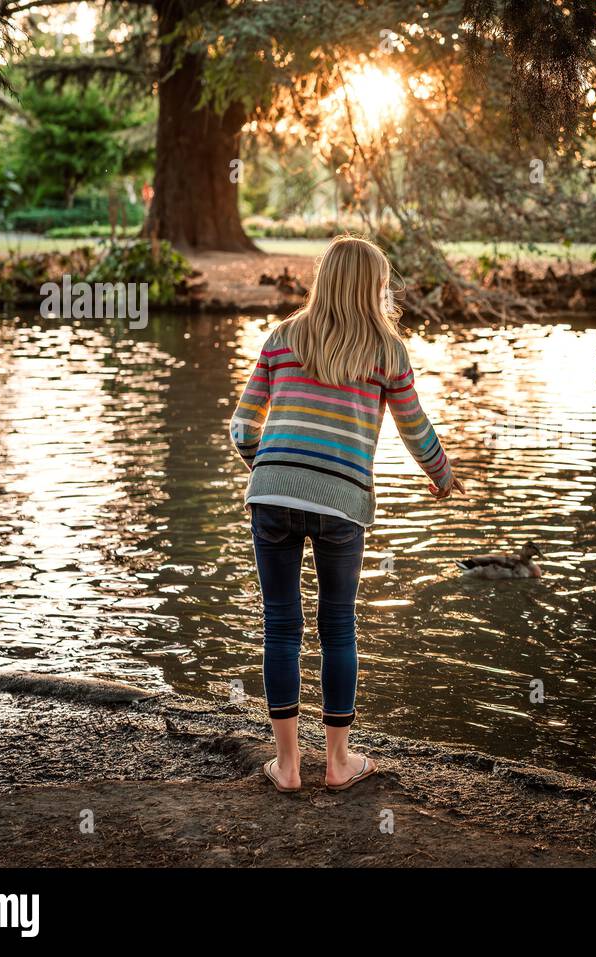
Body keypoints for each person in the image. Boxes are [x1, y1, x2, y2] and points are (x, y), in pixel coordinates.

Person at [229, 236, 464, 793]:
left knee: (280, 624)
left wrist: (271, 470)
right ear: (373, 288)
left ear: (324, 281)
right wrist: (442, 475)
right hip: (341, 503)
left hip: (271, 496)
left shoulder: (282, 337)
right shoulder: (387, 350)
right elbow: (414, 427)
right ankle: (338, 764)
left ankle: (287, 767)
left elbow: (242, 427)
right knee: (337, 626)